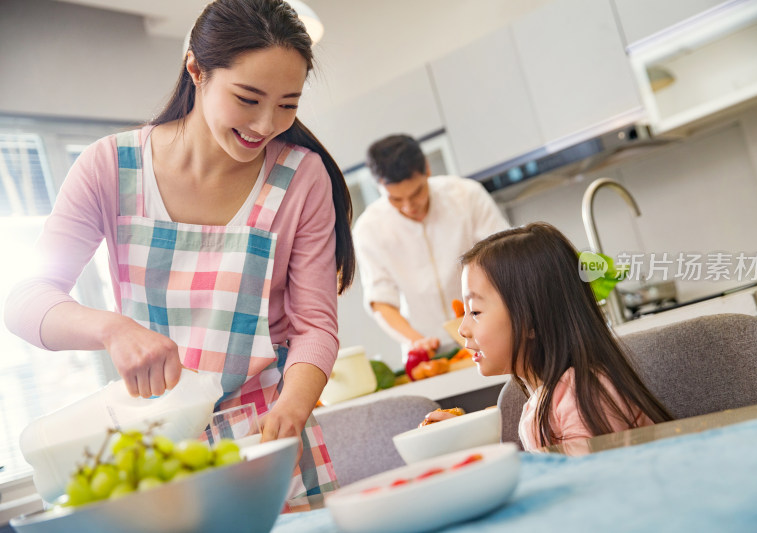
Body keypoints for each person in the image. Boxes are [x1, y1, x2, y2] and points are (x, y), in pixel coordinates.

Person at [4, 0, 354, 511]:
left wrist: (292, 408)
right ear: (196, 69)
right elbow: (25, 301)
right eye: (248, 98)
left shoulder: (301, 178)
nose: (265, 124)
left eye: (287, 104)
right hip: (159, 450)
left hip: (271, 437)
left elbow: (315, 326)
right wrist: (113, 329)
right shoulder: (111, 167)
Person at [423, 222, 673, 449]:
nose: (462, 329)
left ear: (531, 319)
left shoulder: (581, 397)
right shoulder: (546, 396)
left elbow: (588, 487)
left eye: (475, 311)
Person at [353, 134, 508, 360]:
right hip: (425, 349)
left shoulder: (467, 195)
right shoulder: (369, 229)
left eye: (416, 193)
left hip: (487, 336)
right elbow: (381, 301)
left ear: (427, 169)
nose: (408, 206)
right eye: (396, 199)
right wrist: (416, 340)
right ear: (378, 186)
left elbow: (503, 259)